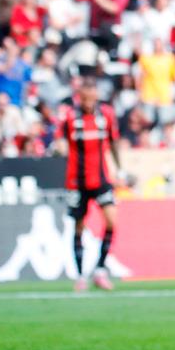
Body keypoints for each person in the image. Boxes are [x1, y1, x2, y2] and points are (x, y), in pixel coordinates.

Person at [58, 77, 125, 292]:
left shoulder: (106, 114)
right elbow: (60, 141)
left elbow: (113, 142)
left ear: (96, 96)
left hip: (101, 178)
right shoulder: (70, 117)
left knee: (112, 221)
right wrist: (58, 148)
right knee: (79, 226)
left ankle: (100, 269)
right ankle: (80, 276)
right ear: (79, 97)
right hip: (77, 181)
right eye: (84, 99)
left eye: (91, 98)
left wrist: (119, 168)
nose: (88, 102)